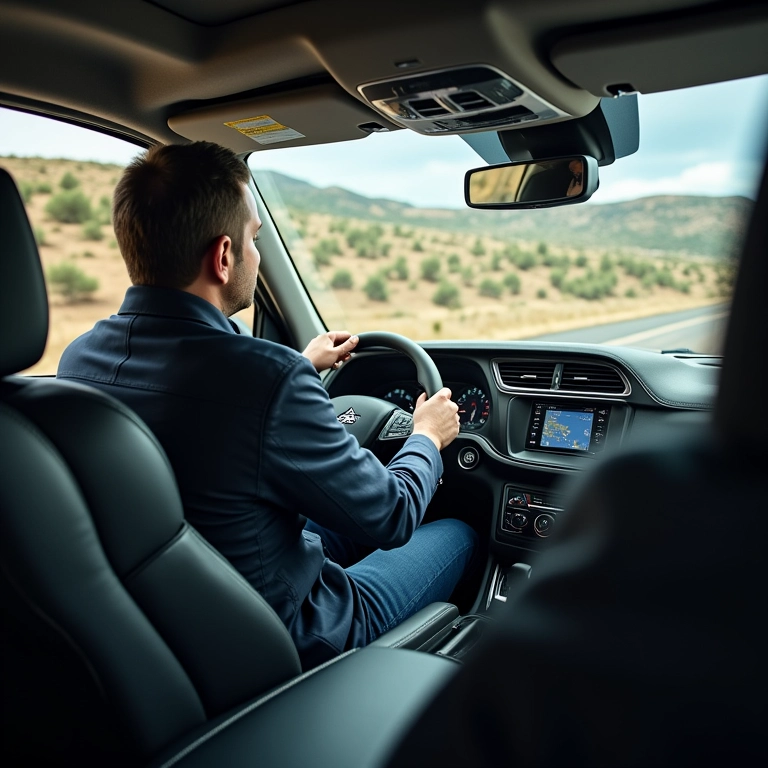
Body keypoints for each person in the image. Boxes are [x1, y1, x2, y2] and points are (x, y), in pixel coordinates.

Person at [56, 141, 477, 669]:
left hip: (173, 613)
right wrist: (427, 436)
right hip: (293, 631)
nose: (257, 254)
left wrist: (299, 365)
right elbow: (392, 515)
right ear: (223, 256)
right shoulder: (266, 381)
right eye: (255, 239)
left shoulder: (80, 359)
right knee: (459, 531)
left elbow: (211, 410)